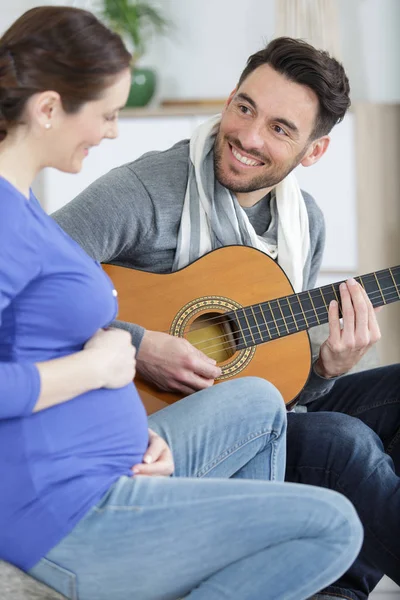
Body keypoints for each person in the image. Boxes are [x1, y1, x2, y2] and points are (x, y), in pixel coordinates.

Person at [0, 7, 364, 600]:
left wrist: (121, 422)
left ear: (312, 150)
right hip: (60, 502)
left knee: (259, 399)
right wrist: (114, 360)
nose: (114, 132)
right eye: (109, 113)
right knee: (334, 520)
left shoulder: (25, 213)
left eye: (279, 127)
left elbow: (32, 329)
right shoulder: (31, 217)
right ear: (48, 110)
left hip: (114, 456)